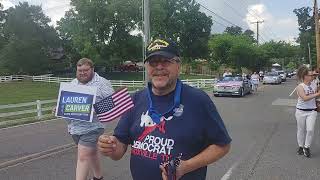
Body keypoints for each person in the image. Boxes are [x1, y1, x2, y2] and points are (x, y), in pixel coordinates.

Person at [98, 38, 231, 180]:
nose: (159, 67)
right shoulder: (135, 99)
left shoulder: (199, 100)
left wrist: (186, 166)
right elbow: (119, 149)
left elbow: (222, 145)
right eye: (153, 62)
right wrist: (110, 146)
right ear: (147, 67)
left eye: (166, 61)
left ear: (178, 65)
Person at [62, 58, 114, 180]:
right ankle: (98, 177)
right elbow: (67, 103)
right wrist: (59, 108)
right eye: (80, 70)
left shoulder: (102, 83)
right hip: (75, 127)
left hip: (94, 127)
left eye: (85, 70)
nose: (82, 73)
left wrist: (95, 110)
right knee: (92, 154)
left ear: (92, 69)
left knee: (83, 157)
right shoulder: (73, 83)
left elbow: (112, 102)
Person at [295, 65, 320, 158]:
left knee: (310, 130)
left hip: (312, 111)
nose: (312, 76)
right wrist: (317, 93)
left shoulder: (314, 83)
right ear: (304, 76)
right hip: (300, 111)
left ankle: (306, 147)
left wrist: (317, 94)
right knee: (301, 129)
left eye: (312, 75)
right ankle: (300, 146)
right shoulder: (300, 87)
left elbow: (316, 96)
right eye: (309, 75)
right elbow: (305, 98)